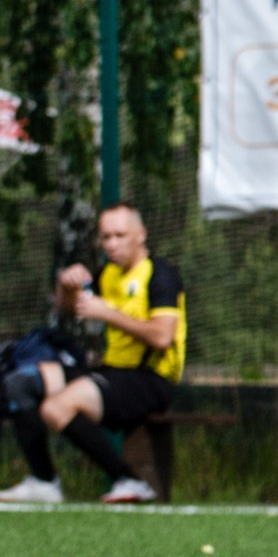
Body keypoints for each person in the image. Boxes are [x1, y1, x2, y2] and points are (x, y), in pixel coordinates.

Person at [0, 203, 183, 505]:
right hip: (111, 371)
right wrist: (66, 283)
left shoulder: (160, 275)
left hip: (151, 379)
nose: (111, 244)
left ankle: (130, 480)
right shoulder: (108, 274)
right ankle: (44, 481)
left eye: (119, 235)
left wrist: (109, 314)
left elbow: (163, 337)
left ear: (141, 235)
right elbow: (66, 307)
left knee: (56, 408)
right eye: (106, 237)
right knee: (22, 382)